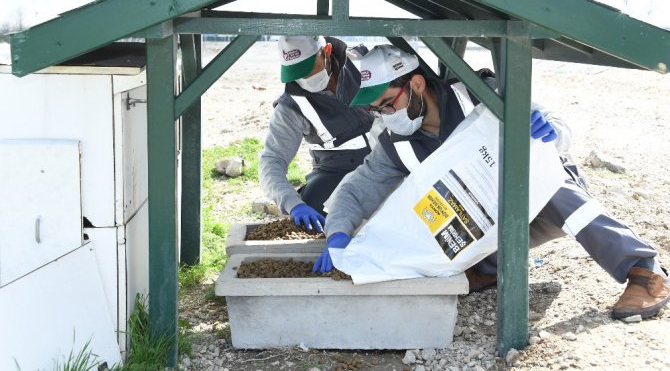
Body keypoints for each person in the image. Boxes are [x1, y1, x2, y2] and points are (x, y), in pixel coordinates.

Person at [314, 44, 669, 320]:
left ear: (416, 83)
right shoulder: (397, 145)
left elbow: (559, 126)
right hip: (491, 221)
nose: (384, 116)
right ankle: (486, 269)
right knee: (433, 215)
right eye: (376, 111)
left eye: (387, 104)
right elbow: (356, 190)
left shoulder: (477, 94)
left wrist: (549, 128)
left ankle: (644, 271)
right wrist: (339, 234)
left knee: (544, 183)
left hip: (546, 201)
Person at [258, 36, 375, 234]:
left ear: (327, 52)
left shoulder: (362, 63)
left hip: (389, 160)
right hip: (336, 172)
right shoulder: (291, 107)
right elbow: (272, 160)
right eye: (296, 73)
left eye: (309, 69)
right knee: (317, 219)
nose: (304, 79)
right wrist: (293, 204)